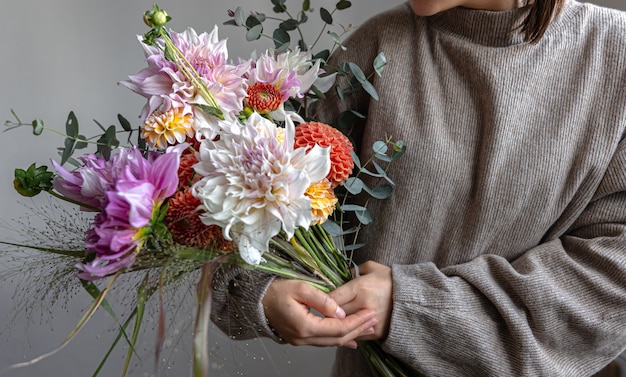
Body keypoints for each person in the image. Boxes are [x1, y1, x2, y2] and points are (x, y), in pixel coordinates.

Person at [211, 0, 626, 375]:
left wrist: (411, 307)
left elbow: (610, 286)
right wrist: (263, 293)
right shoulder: (376, 47)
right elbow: (251, 210)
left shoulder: (614, 56)